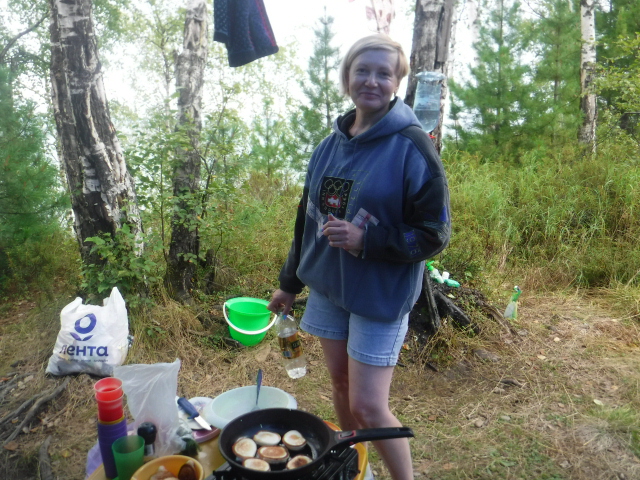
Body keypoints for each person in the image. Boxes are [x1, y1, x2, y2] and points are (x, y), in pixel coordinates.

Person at [268, 33, 450, 480]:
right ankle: (356, 469)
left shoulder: (412, 146)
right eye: (362, 70)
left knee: (368, 405)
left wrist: (367, 240)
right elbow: (307, 218)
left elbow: (435, 234)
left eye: (383, 73)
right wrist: (289, 283)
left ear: (397, 82)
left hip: (379, 295)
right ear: (347, 77)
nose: (371, 80)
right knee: (342, 385)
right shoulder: (328, 146)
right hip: (330, 288)